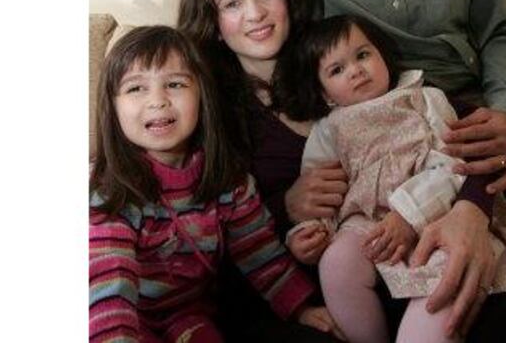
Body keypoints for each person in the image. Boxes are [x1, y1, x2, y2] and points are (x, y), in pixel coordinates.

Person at [178, 0, 506, 342]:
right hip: (320, 288)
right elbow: (202, 238)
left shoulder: (343, 55)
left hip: (428, 241)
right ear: (213, 22)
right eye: (232, 3)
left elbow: (470, 135)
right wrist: (285, 208)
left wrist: (471, 209)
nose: (255, 14)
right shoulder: (210, 109)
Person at [274, 14, 506, 343]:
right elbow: (319, 188)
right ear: (326, 95)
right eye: (337, 69)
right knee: (336, 263)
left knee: (443, 278)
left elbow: (454, 163)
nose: (356, 70)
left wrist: (408, 214)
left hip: (435, 214)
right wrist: (310, 231)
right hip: (365, 224)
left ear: (383, 57)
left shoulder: (424, 99)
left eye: (362, 55)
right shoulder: (328, 129)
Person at [88, 25, 340, 342]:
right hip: (123, 316)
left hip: (189, 313)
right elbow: (108, 287)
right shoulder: (108, 192)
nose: (158, 101)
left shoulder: (229, 180)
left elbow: (261, 253)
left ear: (202, 96)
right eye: (136, 89)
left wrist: (301, 309)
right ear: (112, 107)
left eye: (175, 84)